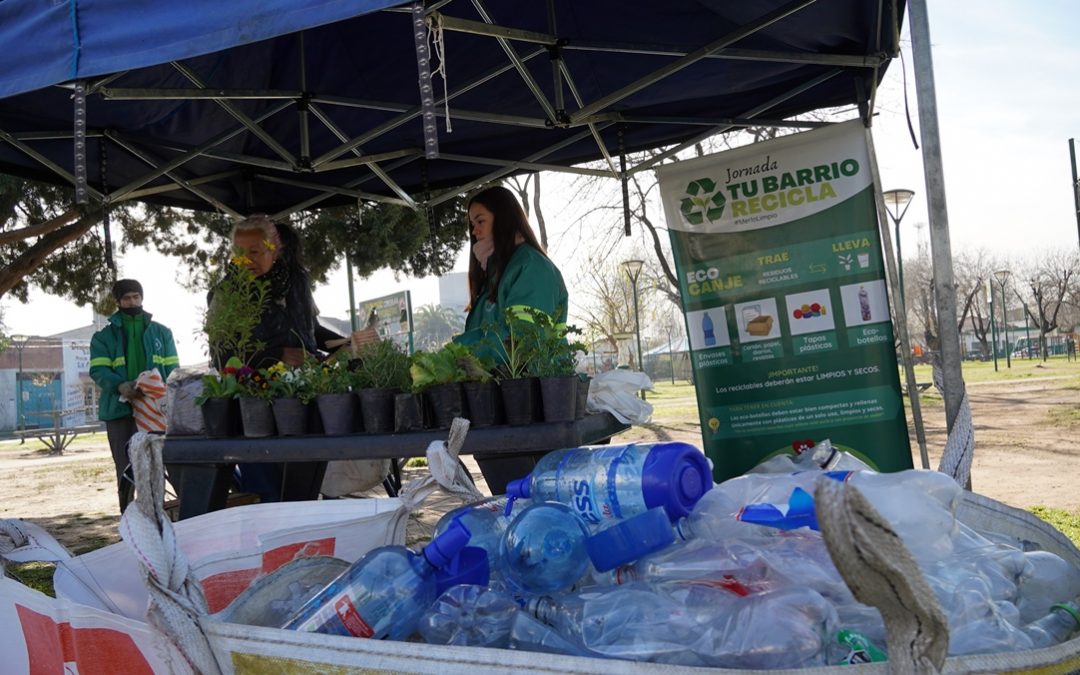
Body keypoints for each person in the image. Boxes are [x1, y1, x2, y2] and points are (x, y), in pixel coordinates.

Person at [211, 215, 376, 501]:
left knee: (304, 488)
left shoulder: (297, 282)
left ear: (274, 249)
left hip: (303, 397)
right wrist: (275, 355)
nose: (247, 259)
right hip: (256, 406)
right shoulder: (225, 294)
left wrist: (347, 341)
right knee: (268, 495)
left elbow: (310, 330)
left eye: (255, 251)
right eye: (240, 253)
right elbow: (221, 356)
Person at [453, 185, 569, 493]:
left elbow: (523, 339)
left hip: (534, 408)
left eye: (480, 221)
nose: (474, 230)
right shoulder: (496, 272)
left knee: (534, 504)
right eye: (471, 224)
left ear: (503, 219)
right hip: (502, 410)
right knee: (515, 503)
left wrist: (456, 351)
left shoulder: (530, 267)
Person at [89, 279, 179, 513]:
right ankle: (129, 518)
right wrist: (120, 385)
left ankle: (166, 516)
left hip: (156, 410)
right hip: (120, 412)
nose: (133, 302)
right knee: (126, 469)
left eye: (136, 297)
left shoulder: (162, 332)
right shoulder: (103, 337)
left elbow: (173, 371)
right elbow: (98, 370)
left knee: (162, 464)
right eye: (127, 298)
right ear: (118, 301)